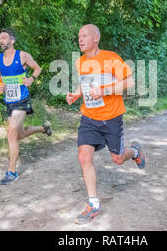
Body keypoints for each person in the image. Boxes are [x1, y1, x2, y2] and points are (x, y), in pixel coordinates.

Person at [66, 24, 147, 225]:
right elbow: (84, 82)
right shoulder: (81, 62)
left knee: (118, 159)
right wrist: (77, 93)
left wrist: (105, 90)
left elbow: (129, 82)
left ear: (96, 38)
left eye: (84, 35)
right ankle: (94, 204)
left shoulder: (110, 57)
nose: (80, 39)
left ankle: (134, 152)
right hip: (89, 118)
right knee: (84, 157)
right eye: (78, 36)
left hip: (111, 117)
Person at [0, 29, 52, 185]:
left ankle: (12, 171)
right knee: (17, 135)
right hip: (9, 100)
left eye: (4, 38)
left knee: (11, 132)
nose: (1, 40)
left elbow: (38, 68)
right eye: (0, 38)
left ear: (12, 41)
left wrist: (31, 79)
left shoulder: (22, 56)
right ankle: (43, 128)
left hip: (22, 99)